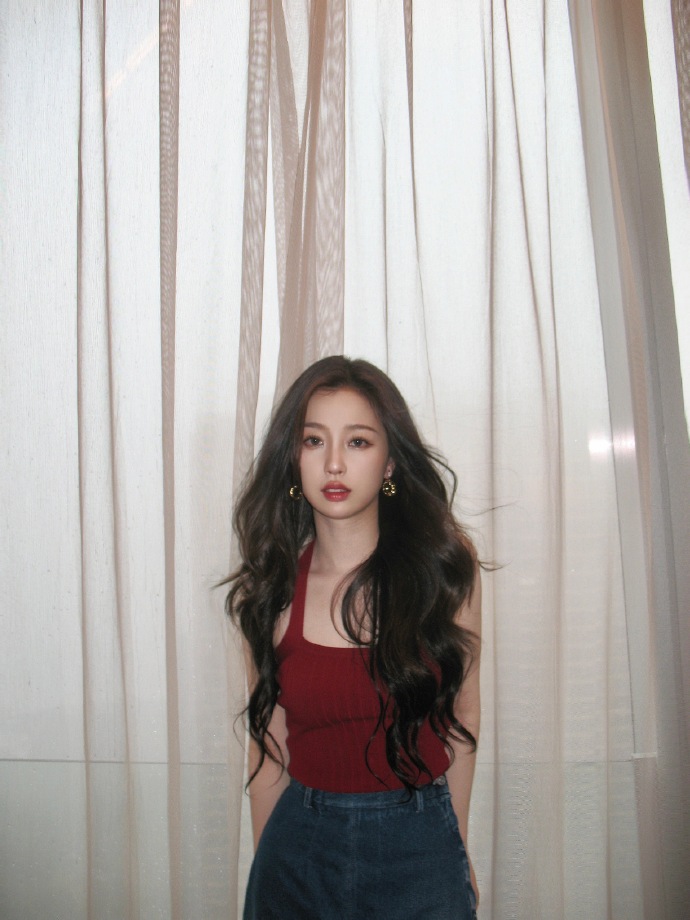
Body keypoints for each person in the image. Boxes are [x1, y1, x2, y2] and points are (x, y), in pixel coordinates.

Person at [226, 356, 481, 920]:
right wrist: (266, 866)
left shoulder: (444, 572)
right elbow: (269, 747)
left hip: (421, 848)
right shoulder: (270, 592)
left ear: (390, 461)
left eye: (358, 441)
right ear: (293, 458)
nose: (334, 463)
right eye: (314, 440)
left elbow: (461, 716)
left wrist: (456, 848)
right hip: (298, 853)